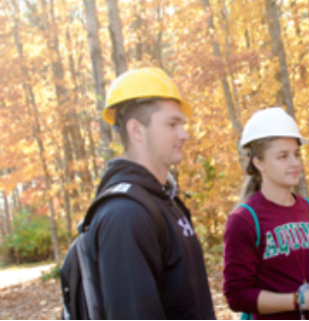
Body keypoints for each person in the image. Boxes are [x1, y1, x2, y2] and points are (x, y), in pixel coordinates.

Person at [85, 68, 216, 319]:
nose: (184, 134)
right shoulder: (124, 214)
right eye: (171, 124)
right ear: (136, 130)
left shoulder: (165, 202)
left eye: (182, 124)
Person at [223, 108, 309, 320]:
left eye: (296, 154)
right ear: (259, 163)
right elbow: (237, 296)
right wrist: (300, 301)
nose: (294, 163)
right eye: (282, 156)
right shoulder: (244, 220)